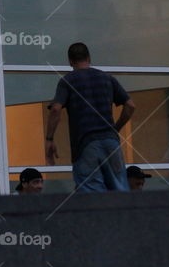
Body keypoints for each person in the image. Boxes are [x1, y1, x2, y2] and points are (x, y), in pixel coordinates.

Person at [45, 42, 136, 192]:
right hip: (111, 143)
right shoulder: (107, 78)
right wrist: (116, 128)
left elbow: (55, 109)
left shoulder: (67, 81)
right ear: (89, 57)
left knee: (92, 197)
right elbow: (131, 106)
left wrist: (49, 139)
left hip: (85, 144)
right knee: (121, 194)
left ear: (70, 61)